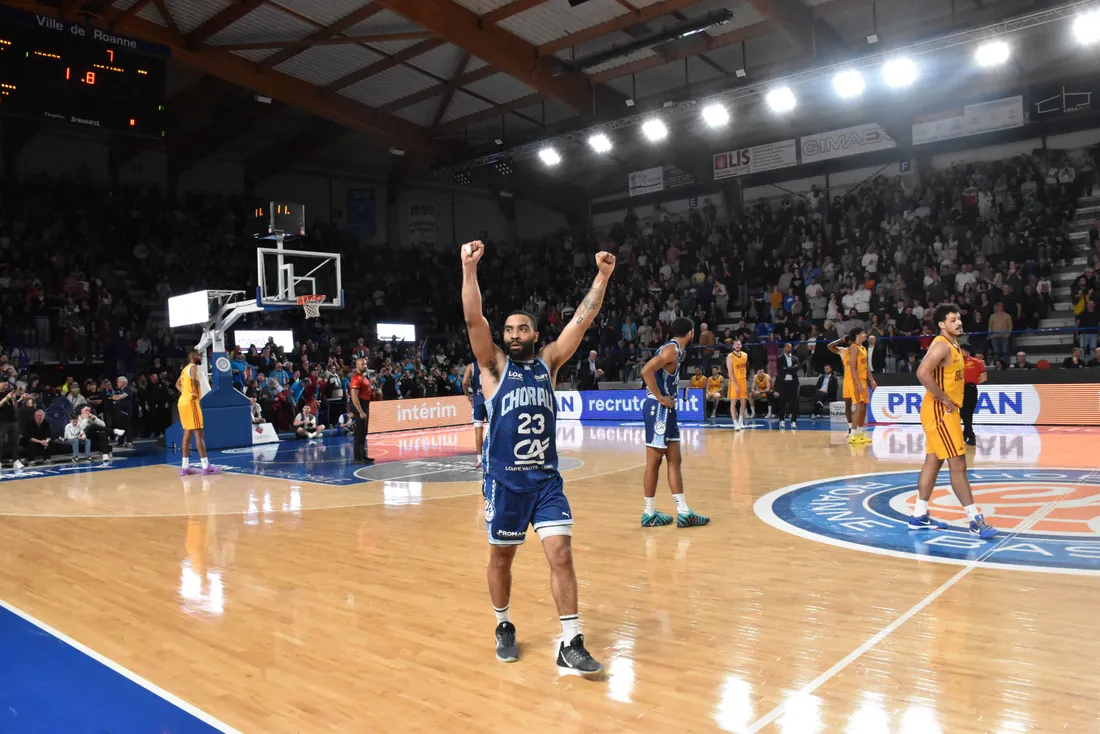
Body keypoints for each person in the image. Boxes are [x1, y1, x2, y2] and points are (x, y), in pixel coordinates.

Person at [461, 239, 608, 676]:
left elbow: (582, 322)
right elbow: (473, 317)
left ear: (535, 334)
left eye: (521, 329)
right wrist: (469, 270)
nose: (513, 335)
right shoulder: (492, 368)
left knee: (561, 552)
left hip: (545, 481)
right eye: (508, 330)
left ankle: (571, 639)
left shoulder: (549, 363)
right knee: (501, 559)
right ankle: (503, 624)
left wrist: (602, 276)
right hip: (504, 483)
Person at [909, 304, 998, 538]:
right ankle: (974, 520)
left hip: (940, 410)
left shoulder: (954, 344)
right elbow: (922, 372)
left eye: (958, 318)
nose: (958, 322)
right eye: (952, 320)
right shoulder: (940, 344)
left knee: (933, 461)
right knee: (958, 464)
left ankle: (919, 515)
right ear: (941, 324)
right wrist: (943, 397)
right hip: (940, 411)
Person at [638, 317, 711, 529]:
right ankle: (648, 513)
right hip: (658, 409)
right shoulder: (671, 350)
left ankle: (684, 512)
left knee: (674, 459)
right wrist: (660, 397)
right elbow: (646, 370)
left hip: (667, 410)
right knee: (653, 462)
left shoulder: (675, 349)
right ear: (690, 333)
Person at [176, 349, 219, 476]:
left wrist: (185, 392)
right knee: (199, 433)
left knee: (187, 433)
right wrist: (194, 392)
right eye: (199, 355)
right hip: (191, 402)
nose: (200, 357)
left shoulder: (185, 369)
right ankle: (205, 466)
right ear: (193, 356)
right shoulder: (193, 367)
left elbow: (177, 384)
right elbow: (194, 379)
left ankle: (185, 467)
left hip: (182, 402)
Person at [845, 328, 874, 444]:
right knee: (859, 406)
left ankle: (860, 434)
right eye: (863, 333)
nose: (865, 334)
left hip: (863, 380)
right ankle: (852, 434)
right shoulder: (853, 348)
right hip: (855, 381)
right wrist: (858, 383)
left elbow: (866, 367)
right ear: (857, 335)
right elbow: (852, 368)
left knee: (864, 406)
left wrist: (872, 380)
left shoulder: (863, 348)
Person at [349, 357, 374, 465]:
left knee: (363, 432)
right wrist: (360, 411)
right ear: (357, 366)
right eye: (363, 364)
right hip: (360, 405)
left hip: (365, 404)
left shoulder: (364, 377)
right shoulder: (356, 378)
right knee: (359, 433)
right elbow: (354, 397)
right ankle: (357, 458)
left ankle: (363, 455)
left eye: (366, 364)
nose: (365, 365)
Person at [961, 344, 986, 446]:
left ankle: (969, 434)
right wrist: (973, 382)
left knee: (964, 413)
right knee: (968, 412)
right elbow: (984, 378)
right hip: (971, 389)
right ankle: (968, 433)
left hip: (959, 389)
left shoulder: (956, 362)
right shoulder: (978, 362)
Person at [463, 361, 486, 468]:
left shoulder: (471, 366)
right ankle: (494, 456)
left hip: (478, 400)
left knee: (478, 431)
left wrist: (467, 394)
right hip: (491, 399)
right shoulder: (492, 363)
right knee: (494, 429)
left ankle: (480, 459)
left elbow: (464, 383)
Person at [725, 339, 749, 430]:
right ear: (733, 346)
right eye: (736, 344)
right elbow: (730, 373)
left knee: (743, 402)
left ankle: (740, 420)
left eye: (739, 344)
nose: (737, 346)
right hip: (734, 381)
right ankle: (735, 423)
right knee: (733, 403)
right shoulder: (730, 356)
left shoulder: (745, 355)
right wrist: (735, 384)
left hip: (743, 380)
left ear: (741, 345)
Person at [776, 342, 801, 429]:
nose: (789, 349)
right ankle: (782, 420)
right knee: (782, 403)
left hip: (793, 384)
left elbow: (797, 367)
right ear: (784, 348)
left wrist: (787, 369)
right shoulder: (779, 358)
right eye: (787, 347)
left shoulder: (795, 358)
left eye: (790, 347)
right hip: (783, 384)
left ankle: (793, 421)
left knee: (793, 403)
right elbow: (780, 369)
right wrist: (791, 369)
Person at [0, 382, 24, 469]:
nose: (6, 387)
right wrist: (6, 398)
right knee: (0, 442)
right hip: (2, 421)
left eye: (7, 385)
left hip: (13, 420)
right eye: (4, 385)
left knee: (15, 442)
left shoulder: (9, 393)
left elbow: (14, 407)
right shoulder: (5, 395)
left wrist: (16, 399)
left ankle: (16, 461)